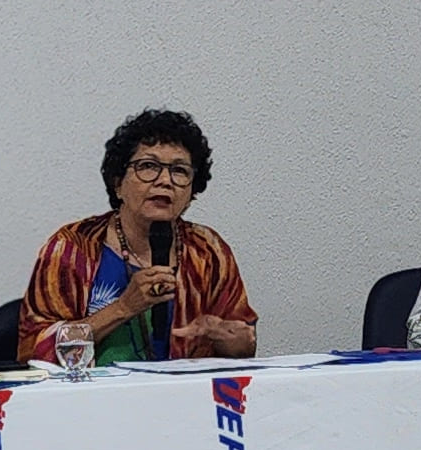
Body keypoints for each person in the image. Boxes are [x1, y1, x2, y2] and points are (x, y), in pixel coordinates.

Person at [22, 109, 259, 365]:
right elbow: (34, 352)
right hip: (96, 390)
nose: (165, 181)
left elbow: (245, 349)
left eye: (179, 170)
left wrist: (223, 335)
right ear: (118, 184)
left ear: (192, 191)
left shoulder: (208, 251)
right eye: (148, 166)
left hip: (184, 390)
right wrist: (123, 308)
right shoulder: (72, 248)